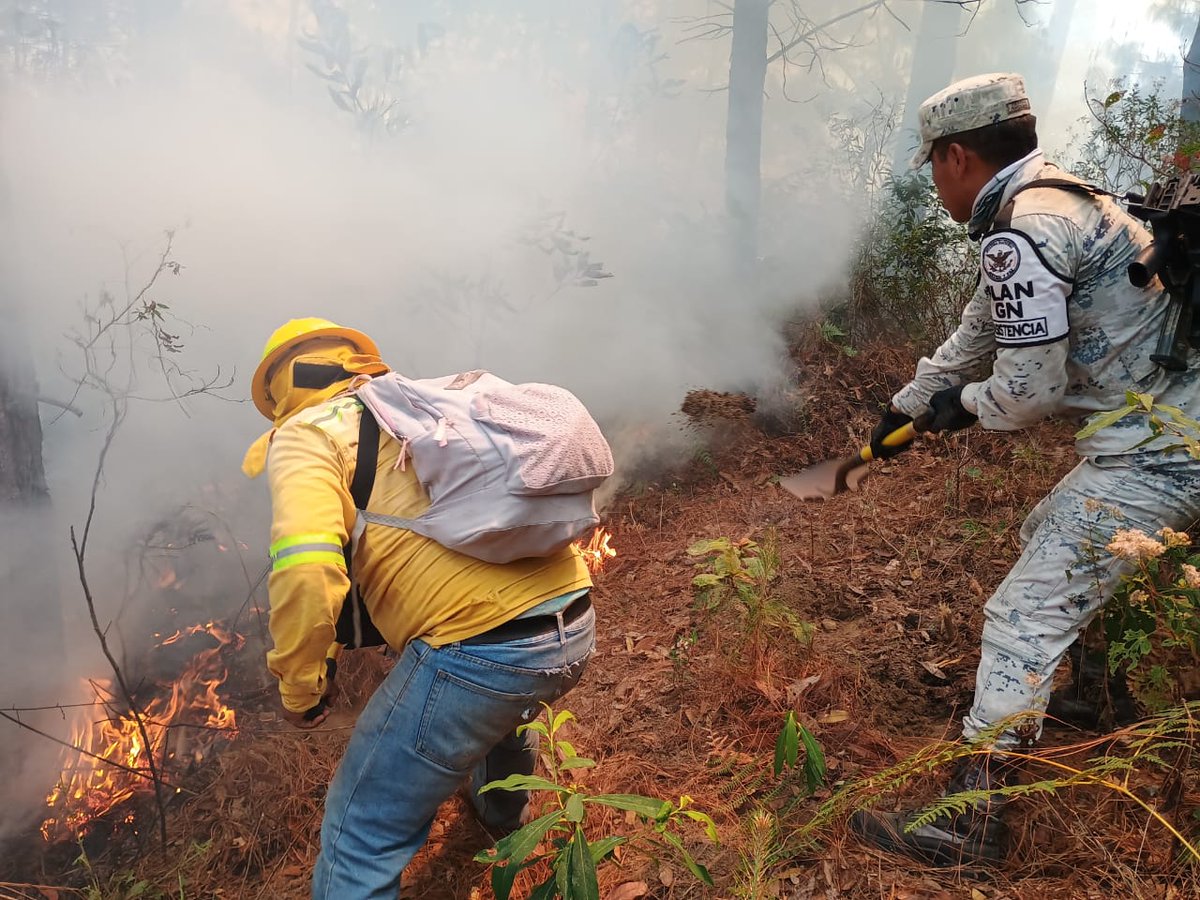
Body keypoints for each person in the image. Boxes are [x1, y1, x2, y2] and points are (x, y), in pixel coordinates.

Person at [850, 73, 1200, 867]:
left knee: (1020, 617)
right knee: (1049, 528)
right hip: (1171, 430)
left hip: (1162, 452)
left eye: (932, 164)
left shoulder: (1023, 231)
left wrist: (960, 406)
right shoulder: (1054, 200)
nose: (935, 180)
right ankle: (1099, 691)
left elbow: (1026, 392)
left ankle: (975, 818)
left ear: (956, 155)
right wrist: (910, 404)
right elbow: (983, 324)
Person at [242, 318, 596, 898]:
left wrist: (301, 690)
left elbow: (306, 570)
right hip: (572, 619)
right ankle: (501, 821)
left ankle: (487, 818)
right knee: (504, 711)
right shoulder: (419, 406)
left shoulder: (305, 434)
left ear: (279, 389)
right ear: (354, 360)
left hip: (480, 653)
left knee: (361, 833)